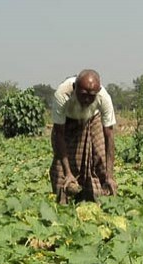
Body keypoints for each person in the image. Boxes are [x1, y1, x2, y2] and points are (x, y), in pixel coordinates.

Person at [50, 69, 117, 203]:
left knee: (99, 158)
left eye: (91, 95)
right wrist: (68, 173)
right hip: (67, 123)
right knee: (60, 166)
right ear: (75, 88)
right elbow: (59, 134)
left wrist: (110, 175)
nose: (86, 99)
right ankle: (63, 204)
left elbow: (109, 136)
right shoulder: (62, 95)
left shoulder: (104, 98)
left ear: (97, 92)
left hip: (93, 119)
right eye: (83, 94)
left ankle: (100, 200)